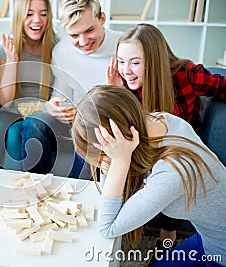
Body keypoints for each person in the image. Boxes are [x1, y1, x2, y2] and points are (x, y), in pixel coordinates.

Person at [72, 85, 226, 266]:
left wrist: (119, 162)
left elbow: (108, 227)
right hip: (207, 238)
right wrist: (114, 162)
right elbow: (109, 197)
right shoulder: (160, 121)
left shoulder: (171, 171)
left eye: (101, 155)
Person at [106, 23, 226, 254]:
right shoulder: (127, 86)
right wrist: (116, 93)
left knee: (167, 188)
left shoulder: (186, 74)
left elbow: (221, 85)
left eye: (135, 63)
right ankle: (129, 233)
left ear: (154, 60)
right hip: (147, 154)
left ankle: (167, 236)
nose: (126, 70)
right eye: (121, 62)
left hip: (181, 158)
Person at [20, 0, 122, 177]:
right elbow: (60, 95)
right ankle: (35, 186)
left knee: (86, 134)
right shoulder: (61, 51)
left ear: (102, 18)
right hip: (73, 119)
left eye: (90, 30)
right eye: (74, 36)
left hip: (103, 121)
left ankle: (75, 194)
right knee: (34, 123)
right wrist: (51, 107)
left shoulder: (123, 45)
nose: (84, 42)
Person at [0, 0, 57, 171]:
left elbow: (58, 94)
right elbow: (5, 101)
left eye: (43, 14)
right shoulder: (5, 47)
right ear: (19, 16)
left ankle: (17, 190)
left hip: (43, 112)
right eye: (29, 14)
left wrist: (38, 110)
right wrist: (12, 60)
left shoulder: (56, 47)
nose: (37, 20)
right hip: (11, 110)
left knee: (14, 135)